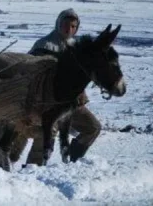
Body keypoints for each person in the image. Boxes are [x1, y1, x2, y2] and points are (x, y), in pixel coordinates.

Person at [24, 9, 102, 164]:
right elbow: (29, 68)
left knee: (93, 127)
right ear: (58, 24)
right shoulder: (44, 44)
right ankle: (31, 172)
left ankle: (74, 159)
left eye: (73, 26)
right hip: (46, 103)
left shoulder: (76, 47)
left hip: (72, 103)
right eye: (66, 25)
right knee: (47, 134)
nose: (69, 29)